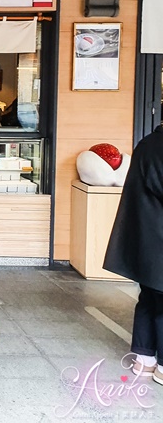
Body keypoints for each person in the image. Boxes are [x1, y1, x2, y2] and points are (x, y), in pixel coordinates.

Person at [104, 126, 163, 384]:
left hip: (143, 236)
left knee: (149, 296)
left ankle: (144, 358)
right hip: (159, 237)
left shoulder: (148, 143)